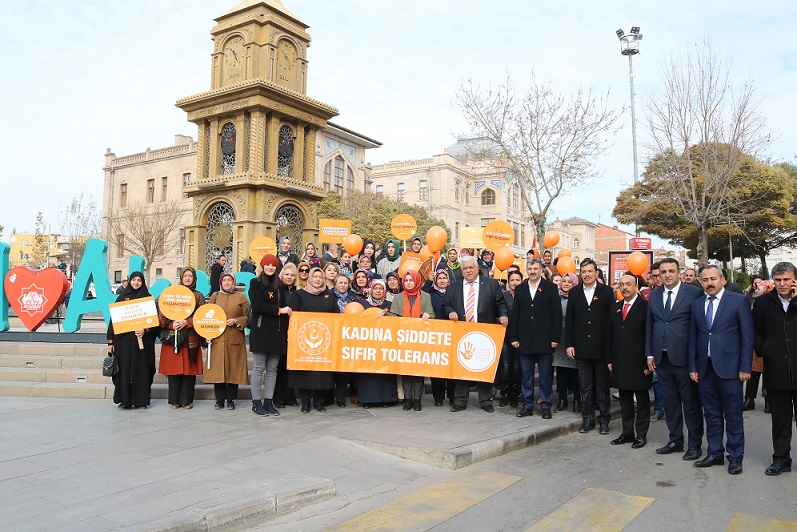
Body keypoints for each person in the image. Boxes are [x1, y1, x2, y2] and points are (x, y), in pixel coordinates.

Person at [689, 265, 753, 475]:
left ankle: (735, 457)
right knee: (712, 414)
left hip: (731, 369)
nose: (709, 283)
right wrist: (693, 366)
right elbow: (694, 337)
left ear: (723, 280)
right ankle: (715, 453)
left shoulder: (738, 301)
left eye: (713, 279)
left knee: (733, 415)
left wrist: (745, 366)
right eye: (705, 279)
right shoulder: (697, 304)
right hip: (705, 369)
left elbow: (747, 336)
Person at [646, 257, 704, 460]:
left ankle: (695, 445)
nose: (667, 275)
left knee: (690, 404)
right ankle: (675, 440)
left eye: (671, 271)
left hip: (686, 359)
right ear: (659, 275)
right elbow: (650, 326)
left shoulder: (694, 293)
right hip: (661, 359)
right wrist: (650, 353)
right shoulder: (653, 296)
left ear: (679, 273)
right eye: (663, 272)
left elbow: (700, 326)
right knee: (670, 403)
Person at [444, 255, 509, 412]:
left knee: (484, 365)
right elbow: (446, 304)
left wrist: (503, 314)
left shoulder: (492, 284)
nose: (468, 271)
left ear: (477, 268)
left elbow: (500, 303)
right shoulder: (453, 287)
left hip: (485, 333)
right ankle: (460, 400)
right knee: (462, 366)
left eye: (471, 267)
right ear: (461, 270)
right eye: (465, 268)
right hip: (462, 333)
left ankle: (486, 400)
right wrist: (451, 311)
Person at [752, 262, 797, 476]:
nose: (782, 284)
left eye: (786, 279)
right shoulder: (762, 303)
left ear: (794, 279)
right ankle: (781, 459)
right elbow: (756, 333)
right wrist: (766, 349)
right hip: (776, 369)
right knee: (780, 420)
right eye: (778, 280)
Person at [565, 258, 615, 434]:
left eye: (589, 271)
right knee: (585, 387)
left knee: (602, 387)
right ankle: (587, 419)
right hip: (581, 347)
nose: (586, 274)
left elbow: (611, 322)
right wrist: (569, 344)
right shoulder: (574, 293)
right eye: (583, 271)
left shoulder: (607, 292)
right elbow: (570, 320)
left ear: (596, 273)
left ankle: (604, 420)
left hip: (601, 348)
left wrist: (611, 347)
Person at [509, 259, 562, 419]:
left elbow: (557, 315)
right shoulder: (520, 289)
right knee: (526, 376)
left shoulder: (551, 288)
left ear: (541, 270)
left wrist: (555, 337)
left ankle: (545, 405)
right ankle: (527, 405)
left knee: (545, 376)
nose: (532, 271)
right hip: (524, 339)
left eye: (535, 268)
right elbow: (515, 315)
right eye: (529, 268)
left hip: (545, 339)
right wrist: (514, 337)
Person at [607, 274, 652, 448]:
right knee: (625, 400)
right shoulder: (616, 307)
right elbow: (610, 335)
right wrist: (610, 359)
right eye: (621, 284)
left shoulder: (645, 307)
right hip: (620, 361)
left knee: (641, 401)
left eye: (628, 284)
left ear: (636, 287)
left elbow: (649, 335)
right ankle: (627, 433)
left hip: (639, 362)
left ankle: (641, 434)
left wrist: (647, 361)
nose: (624, 287)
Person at [379, 270, 434, 411]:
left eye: (411, 280)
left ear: (416, 281)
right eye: (407, 280)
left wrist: (429, 315)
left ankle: (417, 400)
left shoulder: (426, 296)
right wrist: (384, 313)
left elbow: (433, 315)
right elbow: (394, 316)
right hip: (403, 339)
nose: (409, 283)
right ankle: (407, 400)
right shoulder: (398, 298)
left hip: (420, 339)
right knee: (405, 370)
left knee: (417, 371)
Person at [288, 266, 338, 412]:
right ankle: (305, 403)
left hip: (324, 341)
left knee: (321, 372)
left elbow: (335, 315)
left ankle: (318, 402)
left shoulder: (329, 295)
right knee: (305, 372)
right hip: (304, 340)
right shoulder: (299, 294)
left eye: (320, 277)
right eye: (315, 277)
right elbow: (293, 315)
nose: (317, 280)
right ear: (309, 278)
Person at [248, 254, 292, 417]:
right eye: (267, 265)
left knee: (272, 369)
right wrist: (279, 311)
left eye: (273, 265)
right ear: (262, 266)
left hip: (277, 333)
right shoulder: (255, 282)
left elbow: (282, 304)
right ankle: (256, 402)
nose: (270, 268)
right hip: (261, 332)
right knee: (259, 368)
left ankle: (268, 400)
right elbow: (257, 305)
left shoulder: (279, 284)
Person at [107, 272, 157, 409]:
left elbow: (155, 324)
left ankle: (140, 400)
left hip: (142, 343)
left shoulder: (148, 299)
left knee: (142, 370)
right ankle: (125, 400)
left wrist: (145, 330)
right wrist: (110, 341)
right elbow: (113, 321)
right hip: (124, 343)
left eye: (139, 280)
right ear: (129, 281)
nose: (136, 282)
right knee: (125, 370)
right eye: (133, 280)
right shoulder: (122, 298)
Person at [158, 267, 205, 409]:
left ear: (194, 278)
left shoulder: (198, 296)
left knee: (189, 371)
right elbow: (162, 312)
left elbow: (201, 315)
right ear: (181, 277)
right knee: (174, 371)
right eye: (185, 276)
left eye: (190, 276)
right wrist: (172, 324)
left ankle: (187, 400)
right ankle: (174, 400)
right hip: (173, 339)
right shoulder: (172, 294)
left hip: (191, 338)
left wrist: (187, 322)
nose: (188, 278)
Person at [205, 272, 250, 410]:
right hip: (217, 338)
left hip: (234, 338)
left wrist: (237, 321)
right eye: (224, 280)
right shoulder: (215, 296)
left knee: (233, 369)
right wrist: (206, 333)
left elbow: (249, 316)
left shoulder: (241, 297)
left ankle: (230, 400)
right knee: (218, 370)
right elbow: (206, 315)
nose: (227, 283)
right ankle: (219, 400)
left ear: (233, 282)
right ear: (220, 282)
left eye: (229, 280)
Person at [358, 279, 398, 408]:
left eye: (381, 288)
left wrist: (386, 314)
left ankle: (387, 399)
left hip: (385, 344)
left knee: (385, 373)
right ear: (371, 289)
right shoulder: (363, 304)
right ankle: (367, 399)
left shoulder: (390, 304)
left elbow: (397, 319)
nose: (378, 291)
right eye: (376, 288)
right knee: (369, 374)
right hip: (368, 344)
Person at [423, 269, 453, 406]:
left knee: (451, 367)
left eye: (444, 278)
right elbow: (422, 294)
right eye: (439, 278)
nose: (441, 280)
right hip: (436, 333)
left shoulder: (454, 292)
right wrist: (429, 280)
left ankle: (453, 396)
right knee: (437, 366)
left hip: (452, 332)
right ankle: (438, 397)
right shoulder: (431, 293)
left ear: (448, 279)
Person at [553, 273, 581, 412]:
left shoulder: (578, 298)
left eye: (570, 282)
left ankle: (577, 400)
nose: (566, 284)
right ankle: (562, 400)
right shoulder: (556, 297)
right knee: (562, 372)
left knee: (575, 373)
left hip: (574, 340)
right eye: (564, 281)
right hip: (559, 340)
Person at [273, 263, 299, 408]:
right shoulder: (277, 290)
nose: (289, 277)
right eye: (287, 274)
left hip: (294, 334)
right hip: (280, 332)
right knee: (279, 366)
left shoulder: (298, 292)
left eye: (292, 275)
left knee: (291, 367)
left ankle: (290, 396)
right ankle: (278, 397)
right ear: (282, 275)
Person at [331, 274, 359, 407]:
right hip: (333, 334)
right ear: (335, 283)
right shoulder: (329, 295)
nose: (342, 285)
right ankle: (329, 397)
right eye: (340, 282)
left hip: (348, 336)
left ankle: (341, 399)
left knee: (344, 369)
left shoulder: (353, 297)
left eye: (345, 283)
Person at [498, 270, 523, 408]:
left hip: (521, 337)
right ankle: (505, 393)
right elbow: (499, 311)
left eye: (517, 280)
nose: (514, 283)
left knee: (517, 366)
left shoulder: (525, 295)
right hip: (506, 336)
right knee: (506, 366)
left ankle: (515, 393)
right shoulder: (503, 295)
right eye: (512, 280)